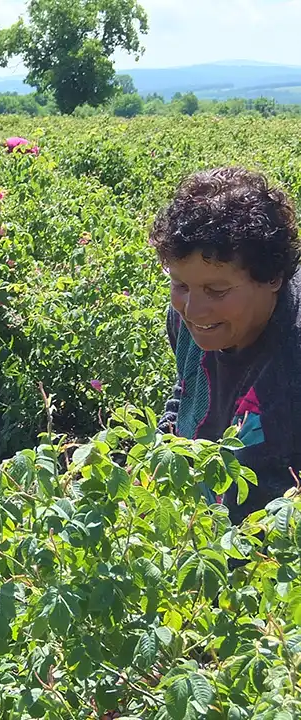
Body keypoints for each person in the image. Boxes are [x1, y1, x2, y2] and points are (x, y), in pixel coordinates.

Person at [152, 167, 301, 524]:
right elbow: (186, 390)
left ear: (273, 278)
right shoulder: (189, 320)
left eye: (217, 292)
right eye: (180, 285)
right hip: (203, 528)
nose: (193, 309)